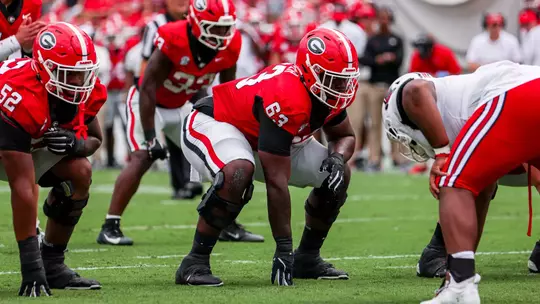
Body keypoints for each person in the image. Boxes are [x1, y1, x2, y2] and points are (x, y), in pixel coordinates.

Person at [175, 27, 357, 287]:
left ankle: (307, 257)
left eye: (345, 79)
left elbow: (344, 136)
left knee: (337, 175)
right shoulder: (287, 95)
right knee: (238, 172)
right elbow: (276, 181)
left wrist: (338, 158)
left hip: (266, 137)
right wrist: (283, 249)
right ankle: (194, 261)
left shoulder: (324, 91)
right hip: (215, 122)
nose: (341, 86)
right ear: (309, 71)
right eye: (333, 79)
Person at [96, 0, 264, 246]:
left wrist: (230, 128)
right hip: (146, 101)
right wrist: (152, 136)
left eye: (225, 27)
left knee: (220, 159)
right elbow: (148, 86)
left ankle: (226, 223)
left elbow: (227, 91)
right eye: (214, 27)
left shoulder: (231, 44)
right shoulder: (173, 37)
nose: (221, 34)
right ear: (196, 23)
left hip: (182, 104)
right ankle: (110, 226)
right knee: (143, 156)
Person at [382, 61, 540, 303]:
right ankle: (458, 280)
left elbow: (415, 91)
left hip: (517, 92)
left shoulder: (409, 93)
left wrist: (443, 152)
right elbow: (480, 192)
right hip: (529, 86)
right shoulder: (461, 92)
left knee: (452, 183)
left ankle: (459, 287)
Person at [0, 22, 105, 296]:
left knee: (80, 171)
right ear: (44, 68)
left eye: (82, 74)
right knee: (26, 187)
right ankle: (39, 266)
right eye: (68, 74)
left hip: (25, 144)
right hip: (6, 141)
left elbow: (95, 140)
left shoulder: (81, 85)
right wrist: (30, 269)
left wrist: (76, 143)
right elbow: (23, 188)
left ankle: (53, 264)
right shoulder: (21, 94)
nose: (77, 83)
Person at [359, 6, 404, 172]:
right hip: (374, 86)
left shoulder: (397, 39)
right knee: (375, 123)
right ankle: (374, 157)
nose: (384, 21)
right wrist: (381, 59)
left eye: (386, 18)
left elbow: (399, 60)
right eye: (381, 18)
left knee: (394, 122)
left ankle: (397, 156)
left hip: (392, 86)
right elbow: (364, 58)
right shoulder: (373, 40)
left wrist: (385, 59)